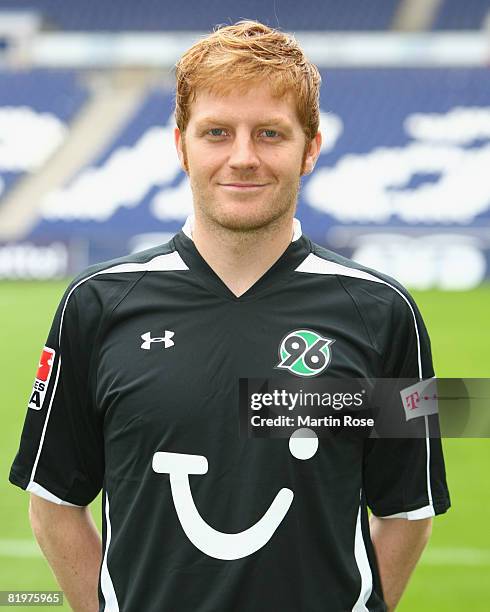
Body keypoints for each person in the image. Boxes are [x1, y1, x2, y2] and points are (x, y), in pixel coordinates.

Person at [10, 20, 450, 612]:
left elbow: (406, 509)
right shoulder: (96, 305)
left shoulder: (384, 313)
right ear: (180, 146)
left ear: (311, 148)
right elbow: (54, 502)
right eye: (217, 132)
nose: (243, 158)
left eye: (270, 133)